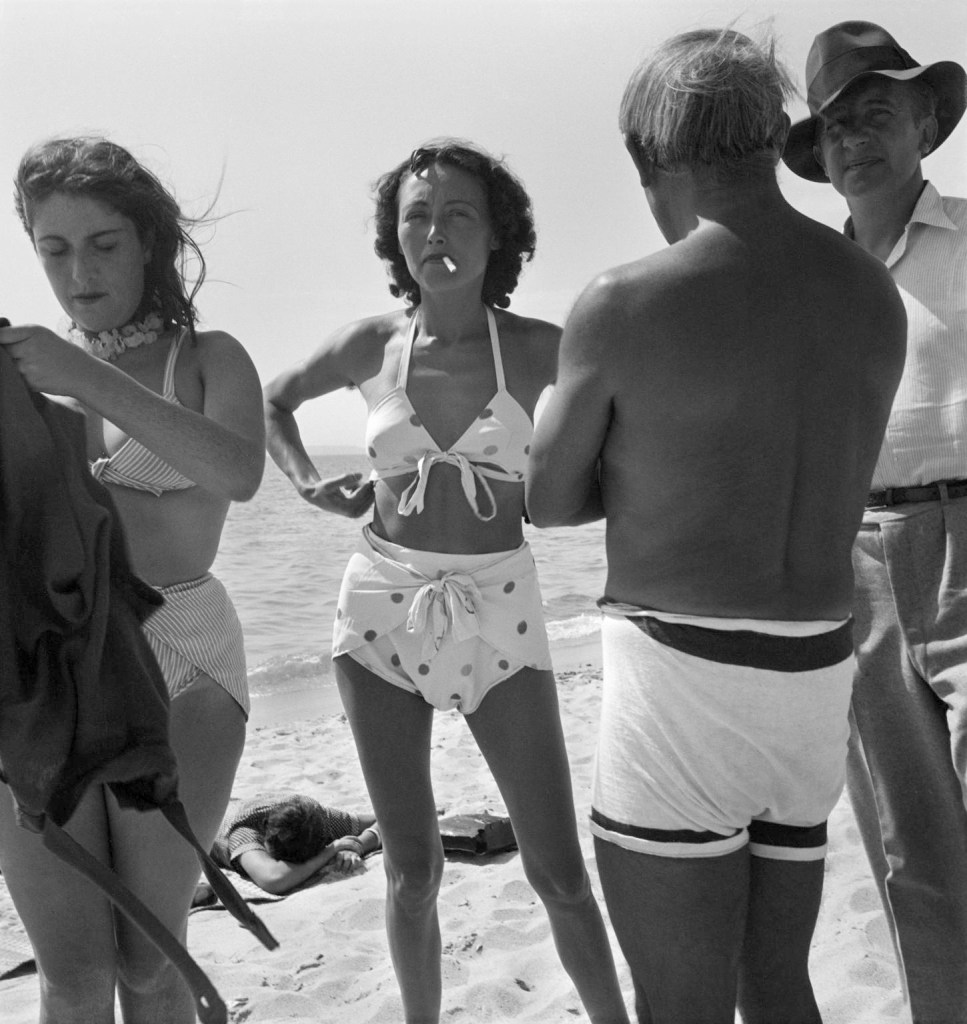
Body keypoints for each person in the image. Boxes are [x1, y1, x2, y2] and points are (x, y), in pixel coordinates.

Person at [527, 29, 906, 1024]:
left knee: (681, 1002)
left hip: (684, 680)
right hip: (818, 674)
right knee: (777, 983)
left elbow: (547, 498)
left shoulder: (621, 302)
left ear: (654, 157)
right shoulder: (870, 289)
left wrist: (650, 459)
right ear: (776, 139)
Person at [264, 138, 629, 1024]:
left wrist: (573, 497)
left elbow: (636, 438)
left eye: (458, 212)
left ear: (498, 230)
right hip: (380, 607)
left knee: (557, 872)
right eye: (416, 216)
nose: (435, 231)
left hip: (498, 604)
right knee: (412, 869)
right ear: (397, 240)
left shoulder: (545, 348)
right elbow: (271, 401)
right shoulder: (369, 345)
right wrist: (308, 483)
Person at [0, 136, 265, 1024]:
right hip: (51, 669)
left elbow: (237, 470)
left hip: (181, 651)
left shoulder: (206, 359)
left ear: (148, 241)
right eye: (54, 249)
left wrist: (85, 379)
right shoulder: (19, 375)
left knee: (150, 961)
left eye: (104, 243)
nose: (79, 271)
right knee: (71, 975)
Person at [782, 21, 967, 1021]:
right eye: (836, 123)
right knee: (911, 855)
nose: (856, 137)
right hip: (852, 568)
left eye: (877, 112)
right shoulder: (806, 282)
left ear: (925, 120)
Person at [210, 793, 381, 894]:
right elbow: (273, 879)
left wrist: (358, 845)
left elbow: (387, 819)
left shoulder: (319, 818)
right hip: (215, 813)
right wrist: (331, 851)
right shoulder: (245, 830)